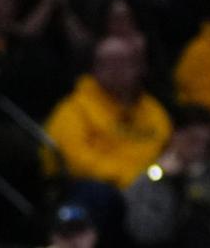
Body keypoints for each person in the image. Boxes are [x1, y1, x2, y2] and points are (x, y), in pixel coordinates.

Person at [45, 37, 173, 229]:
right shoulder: (75, 108)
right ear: (95, 68)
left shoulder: (154, 111)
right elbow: (74, 160)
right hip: (99, 188)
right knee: (98, 195)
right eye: (108, 62)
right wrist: (128, 178)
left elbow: (168, 150)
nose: (116, 69)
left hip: (149, 188)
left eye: (123, 62)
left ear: (137, 67)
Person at [124, 104, 210, 248]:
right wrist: (166, 181)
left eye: (205, 142)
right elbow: (144, 233)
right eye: (192, 140)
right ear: (174, 136)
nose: (199, 149)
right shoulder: (153, 175)